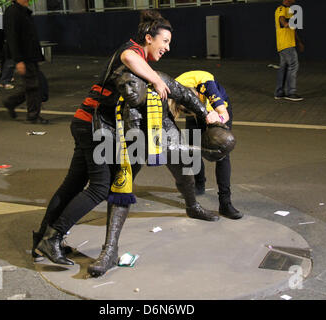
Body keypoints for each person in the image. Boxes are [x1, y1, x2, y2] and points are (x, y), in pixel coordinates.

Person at [33, 10, 220, 267]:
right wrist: (155, 79)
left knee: (73, 185)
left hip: (86, 121)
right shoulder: (132, 52)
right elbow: (128, 55)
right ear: (148, 37)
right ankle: (52, 239)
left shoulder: (141, 61)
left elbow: (183, 95)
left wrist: (206, 114)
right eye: (164, 41)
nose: (167, 47)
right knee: (100, 188)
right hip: (94, 125)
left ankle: (42, 241)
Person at [87, 66, 225, 277]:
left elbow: (187, 95)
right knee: (121, 187)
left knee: (183, 172)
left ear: (144, 82)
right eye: (123, 86)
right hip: (131, 136)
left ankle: (193, 206)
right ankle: (110, 249)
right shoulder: (116, 97)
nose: (128, 90)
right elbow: (101, 116)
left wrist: (207, 115)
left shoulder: (160, 80)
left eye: (132, 84)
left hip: (164, 128)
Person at [175, 70, 242, 220]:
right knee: (191, 147)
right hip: (194, 108)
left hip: (216, 112)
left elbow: (224, 114)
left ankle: (225, 203)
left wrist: (217, 118)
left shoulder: (208, 86)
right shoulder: (173, 90)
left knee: (222, 153)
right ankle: (199, 184)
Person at [2, 0, 48, 124]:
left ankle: (11, 102)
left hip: (29, 55)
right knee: (34, 85)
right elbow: (12, 37)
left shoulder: (23, 11)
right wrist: (18, 60)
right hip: (24, 56)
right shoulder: (13, 12)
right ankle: (32, 115)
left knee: (32, 85)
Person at [274, 0, 304, 101]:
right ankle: (291, 92)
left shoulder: (290, 11)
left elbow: (292, 30)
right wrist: (285, 23)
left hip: (287, 44)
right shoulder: (281, 9)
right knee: (293, 65)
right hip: (286, 44)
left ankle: (279, 93)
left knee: (284, 68)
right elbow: (281, 19)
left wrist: (298, 42)